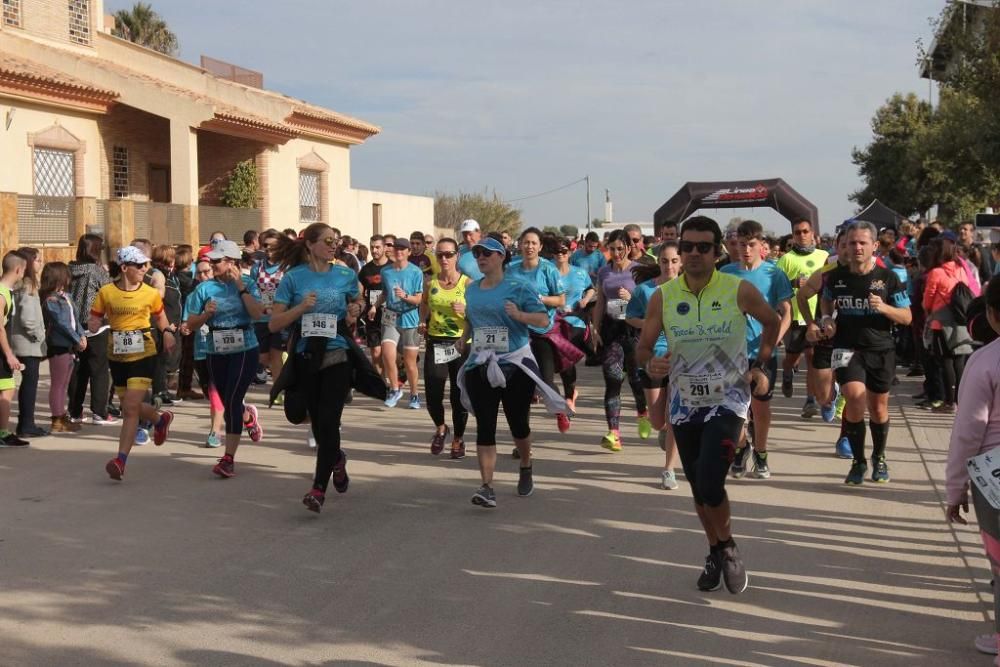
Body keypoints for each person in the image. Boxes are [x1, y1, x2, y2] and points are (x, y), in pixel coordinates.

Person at [637, 215, 780, 595]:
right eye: (687, 246)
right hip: (685, 405)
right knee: (700, 487)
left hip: (729, 401)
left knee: (711, 479)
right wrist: (650, 362)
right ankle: (716, 549)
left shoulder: (738, 289)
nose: (694, 253)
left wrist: (760, 364)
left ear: (718, 252)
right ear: (678, 250)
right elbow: (643, 348)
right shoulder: (662, 297)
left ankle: (728, 548)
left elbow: (772, 321)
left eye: (704, 247)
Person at [458, 236, 564, 508]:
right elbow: (471, 318)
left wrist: (520, 316)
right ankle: (487, 486)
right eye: (478, 253)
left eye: (487, 253)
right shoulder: (472, 289)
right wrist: (463, 338)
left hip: (514, 364)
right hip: (481, 363)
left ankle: (526, 465)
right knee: (485, 426)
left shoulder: (519, 287)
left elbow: (542, 319)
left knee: (518, 424)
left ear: (502, 257)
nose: (481, 257)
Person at [269, 222, 366, 513]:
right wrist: (300, 309)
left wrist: (356, 309)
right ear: (310, 244)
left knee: (328, 420)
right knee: (297, 413)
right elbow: (274, 323)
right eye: (326, 240)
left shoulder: (345, 274)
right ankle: (336, 457)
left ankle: (317, 489)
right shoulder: (293, 279)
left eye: (335, 240)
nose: (333, 245)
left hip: (336, 354)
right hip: (305, 355)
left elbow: (359, 296)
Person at [816, 221, 912, 485]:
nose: (856, 247)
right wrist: (826, 319)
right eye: (851, 243)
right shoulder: (834, 277)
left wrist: (884, 308)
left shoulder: (888, 278)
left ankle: (879, 457)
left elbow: (906, 317)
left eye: (862, 243)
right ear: (844, 245)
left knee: (879, 408)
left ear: (875, 246)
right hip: (846, 347)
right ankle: (858, 461)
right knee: (854, 398)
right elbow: (825, 299)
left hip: (881, 349)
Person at [944, 274, 1000, 663]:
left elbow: (968, 431)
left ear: (993, 315)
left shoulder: (984, 360)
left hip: (993, 480)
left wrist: (955, 489)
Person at [89, 246, 176, 480]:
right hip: (117, 356)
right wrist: (93, 324)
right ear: (125, 267)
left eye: (145, 264)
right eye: (139, 265)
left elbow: (160, 316)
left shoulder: (150, 293)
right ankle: (160, 419)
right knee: (131, 406)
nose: (144, 269)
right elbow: (95, 316)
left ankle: (120, 461)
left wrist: (167, 332)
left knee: (129, 409)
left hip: (143, 353)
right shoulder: (106, 292)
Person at [185, 240, 265, 477]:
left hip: (244, 346)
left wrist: (240, 285)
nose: (212, 263)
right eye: (212, 260)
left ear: (231, 262)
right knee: (228, 398)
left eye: (217, 260)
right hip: (215, 348)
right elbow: (190, 324)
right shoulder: (204, 289)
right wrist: (205, 314)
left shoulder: (249, 283)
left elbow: (257, 313)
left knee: (231, 402)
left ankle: (228, 458)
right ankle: (247, 416)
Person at [721, 221, 793, 479]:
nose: (746, 250)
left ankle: (761, 453)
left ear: (761, 245)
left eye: (751, 245)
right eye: (742, 245)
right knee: (732, 409)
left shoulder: (774, 274)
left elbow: (787, 312)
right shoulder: (726, 273)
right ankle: (742, 447)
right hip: (730, 352)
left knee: (760, 406)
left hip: (762, 352)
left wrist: (774, 340)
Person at [625, 241, 681, 489]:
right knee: (659, 421)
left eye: (674, 261)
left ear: (681, 262)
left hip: (681, 359)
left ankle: (669, 469)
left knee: (675, 417)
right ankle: (664, 430)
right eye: (665, 261)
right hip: (652, 359)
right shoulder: (644, 290)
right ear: (658, 262)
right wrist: (650, 323)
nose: (669, 266)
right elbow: (630, 317)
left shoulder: (690, 289)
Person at [506, 228, 568, 433]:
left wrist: (539, 300)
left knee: (546, 381)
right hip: (518, 335)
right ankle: (523, 438)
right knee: (521, 389)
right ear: (520, 244)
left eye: (533, 243)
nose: (529, 247)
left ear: (540, 246)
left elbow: (561, 300)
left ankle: (560, 410)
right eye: (526, 242)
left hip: (542, 332)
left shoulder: (548, 269)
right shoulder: (511, 270)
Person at [592, 230, 649, 451]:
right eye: (612, 248)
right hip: (612, 328)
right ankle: (614, 433)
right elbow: (600, 303)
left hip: (634, 328)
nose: (616, 253)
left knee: (635, 378)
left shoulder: (638, 270)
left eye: (620, 248)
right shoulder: (604, 272)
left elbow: (648, 302)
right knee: (612, 376)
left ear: (628, 247)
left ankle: (642, 412)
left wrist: (631, 297)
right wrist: (595, 329)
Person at [419, 237, 469, 459]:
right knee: (432, 395)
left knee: (458, 397)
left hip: (460, 343)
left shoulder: (467, 284)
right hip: (436, 342)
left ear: (457, 255)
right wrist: (423, 320)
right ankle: (441, 427)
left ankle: (458, 439)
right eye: (440, 255)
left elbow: (479, 313)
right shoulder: (430, 283)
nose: (444, 258)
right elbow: (424, 303)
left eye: (449, 254)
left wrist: (465, 311)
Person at [777, 218, 829, 418]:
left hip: (817, 315)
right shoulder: (786, 259)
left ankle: (810, 400)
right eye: (798, 232)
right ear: (793, 235)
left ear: (812, 232)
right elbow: (776, 286)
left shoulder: (824, 256)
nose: (802, 235)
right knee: (792, 358)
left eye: (805, 231)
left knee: (812, 358)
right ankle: (787, 371)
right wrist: (794, 282)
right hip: (795, 316)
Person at [922, 237, 974, 413]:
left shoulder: (936, 272)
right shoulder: (961, 269)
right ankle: (959, 401)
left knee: (945, 361)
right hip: (961, 321)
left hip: (940, 323)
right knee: (959, 362)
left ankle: (949, 402)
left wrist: (927, 310)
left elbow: (927, 300)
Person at [68, 233, 116, 425]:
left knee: (80, 370)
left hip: (75, 324)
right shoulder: (97, 272)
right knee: (99, 370)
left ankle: (75, 411)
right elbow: (110, 293)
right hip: (97, 324)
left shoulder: (71, 268)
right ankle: (99, 412)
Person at [378, 237, 425, 409]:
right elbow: (384, 293)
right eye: (396, 248)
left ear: (408, 252)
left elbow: (419, 299)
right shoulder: (386, 272)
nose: (399, 252)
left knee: (409, 363)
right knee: (387, 354)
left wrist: (405, 296)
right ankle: (395, 389)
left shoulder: (415, 272)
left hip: (410, 318)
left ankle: (414, 395)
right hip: (390, 316)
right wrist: (374, 307)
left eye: (402, 249)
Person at [40, 261, 86, 434]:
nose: (69, 277)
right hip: (59, 345)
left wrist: (82, 335)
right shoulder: (51, 299)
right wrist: (77, 340)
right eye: (66, 274)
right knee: (58, 384)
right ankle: (57, 419)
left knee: (64, 383)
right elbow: (62, 323)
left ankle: (62, 415)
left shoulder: (66, 296)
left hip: (70, 345)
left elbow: (75, 318)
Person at [184, 259, 225, 447]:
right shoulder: (195, 295)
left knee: (217, 391)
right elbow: (187, 322)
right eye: (198, 273)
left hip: (225, 349)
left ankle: (215, 432)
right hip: (202, 350)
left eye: (206, 271)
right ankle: (247, 415)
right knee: (212, 393)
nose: (202, 276)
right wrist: (185, 328)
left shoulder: (224, 292)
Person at [553, 236, 594, 416]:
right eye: (556, 251)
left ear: (570, 253)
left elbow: (591, 288)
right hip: (554, 322)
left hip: (575, 322)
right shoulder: (548, 272)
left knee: (564, 355)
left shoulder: (579, 272)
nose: (560, 254)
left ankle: (569, 397)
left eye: (563, 251)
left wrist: (585, 299)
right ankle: (570, 392)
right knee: (560, 361)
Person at [11, 247, 47, 438]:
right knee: (29, 385)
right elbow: (28, 318)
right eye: (38, 260)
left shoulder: (18, 284)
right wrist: (38, 335)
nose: (41, 263)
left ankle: (26, 423)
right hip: (27, 343)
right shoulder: (28, 285)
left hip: (17, 341)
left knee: (22, 385)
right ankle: (26, 424)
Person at [250, 229, 286, 390]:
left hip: (280, 319)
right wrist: (261, 305)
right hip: (261, 319)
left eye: (274, 246)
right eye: (266, 245)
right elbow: (251, 290)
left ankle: (278, 390)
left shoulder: (287, 267)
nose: (269, 249)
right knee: (262, 358)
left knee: (276, 355)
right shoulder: (256, 268)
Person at [0, 251, 28, 447]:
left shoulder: (6, 292)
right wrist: (9, 354)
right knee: (7, 389)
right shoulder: (2, 294)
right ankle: (3, 433)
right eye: (24, 270)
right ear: (18, 269)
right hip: (1, 353)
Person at [151, 245, 181, 405]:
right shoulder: (159, 276)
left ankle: (162, 389)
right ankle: (160, 390)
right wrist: (167, 325)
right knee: (160, 359)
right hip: (164, 324)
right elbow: (159, 303)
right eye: (172, 257)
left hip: (173, 322)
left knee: (166, 358)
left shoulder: (171, 276)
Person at [359, 234, 390, 377]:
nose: (374, 250)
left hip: (391, 315)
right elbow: (359, 293)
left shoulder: (392, 268)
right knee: (376, 353)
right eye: (372, 247)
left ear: (384, 248)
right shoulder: (365, 270)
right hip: (372, 316)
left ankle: (396, 378)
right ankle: (382, 385)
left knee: (390, 352)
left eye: (378, 247)